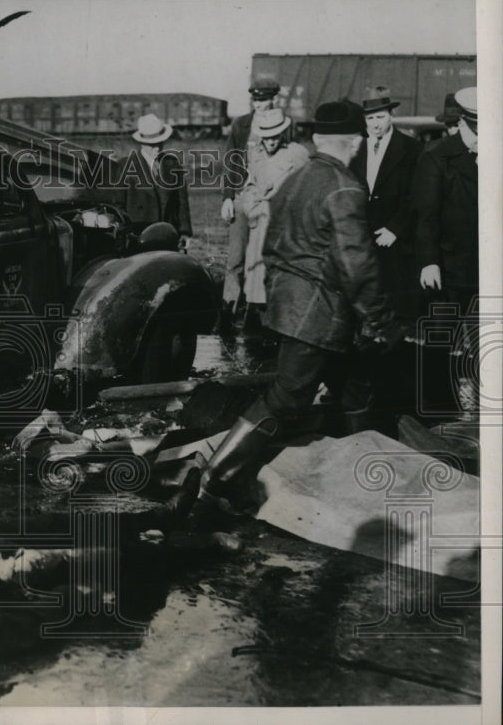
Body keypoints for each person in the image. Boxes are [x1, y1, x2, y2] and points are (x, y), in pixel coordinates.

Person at [173, 100, 397, 525]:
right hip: (322, 315)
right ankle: (213, 483)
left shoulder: (297, 178)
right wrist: (379, 318)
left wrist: (285, 291)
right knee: (286, 398)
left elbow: (272, 241)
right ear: (356, 141)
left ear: (316, 139)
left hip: (293, 306)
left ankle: (367, 484)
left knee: (356, 393)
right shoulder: (345, 186)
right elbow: (356, 262)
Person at [348, 86, 423, 323]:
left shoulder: (411, 149)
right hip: (362, 234)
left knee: (395, 302)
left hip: (394, 239)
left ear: (391, 115)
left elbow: (417, 194)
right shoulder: (356, 147)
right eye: (370, 118)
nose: (376, 124)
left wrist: (396, 229)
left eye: (380, 117)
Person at [220, 74, 284, 327]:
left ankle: (258, 314)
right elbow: (232, 162)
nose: (259, 105)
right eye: (255, 101)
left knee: (262, 257)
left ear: (274, 99)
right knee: (235, 258)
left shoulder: (284, 125)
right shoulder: (242, 125)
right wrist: (227, 198)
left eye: (265, 100)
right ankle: (228, 311)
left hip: (269, 201)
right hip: (242, 197)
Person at [234, 108, 309, 321]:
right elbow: (248, 185)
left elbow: (305, 185)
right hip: (259, 221)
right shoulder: (255, 154)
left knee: (281, 272)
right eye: (266, 137)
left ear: (283, 133)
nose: (271, 142)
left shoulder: (298, 154)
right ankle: (258, 317)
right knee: (257, 272)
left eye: (275, 136)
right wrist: (252, 207)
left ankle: (282, 318)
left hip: (284, 223)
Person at [414, 86, 478, 314]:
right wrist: (429, 262)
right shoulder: (437, 156)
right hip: (451, 268)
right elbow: (427, 215)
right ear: (464, 122)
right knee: (445, 341)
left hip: (489, 266)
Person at [122, 113, 192, 245]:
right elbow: (119, 207)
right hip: (138, 238)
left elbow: (182, 204)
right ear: (142, 143)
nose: (157, 148)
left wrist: (184, 232)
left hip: (169, 236)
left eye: (160, 143)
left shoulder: (173, 165)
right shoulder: (125, 166)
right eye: (152, 144)